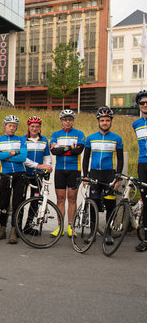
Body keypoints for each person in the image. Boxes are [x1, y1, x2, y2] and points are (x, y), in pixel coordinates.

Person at [83, 107, 123, 245]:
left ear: (111, 122)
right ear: (98, 121)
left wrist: (117, 178)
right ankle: (92, 232)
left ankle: (108, 233)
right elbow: (86, 159)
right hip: (94, 174)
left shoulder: (117, 138)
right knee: (93, 204)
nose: (105, 122)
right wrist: (85, 176)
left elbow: (120, 160)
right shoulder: (90, 138)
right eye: (102, 120)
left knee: (110, 205)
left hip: (109, 176)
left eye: (107, 120)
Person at [0, 115, 27, 244]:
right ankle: (2, 229)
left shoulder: (21, 140)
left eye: (14, 126)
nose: (12, 128)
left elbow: (22, 157)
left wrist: (5, 156)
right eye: (10, 125)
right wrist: (12, 153)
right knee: (4, 203)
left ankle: (14, 230)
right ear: (5, 126)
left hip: (19, 174)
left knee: (18, 203)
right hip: (5, 174)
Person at [50, 109, 85, 238]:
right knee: (60, 198)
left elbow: (78, 151)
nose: (67, 122)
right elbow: (54, 152)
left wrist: (62, 149)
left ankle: (71, 227)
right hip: (60, 170)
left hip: (74, 169)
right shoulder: (55, 134)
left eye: (70, 119)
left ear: (73, 121)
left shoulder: (79, 134)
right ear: (61, 121)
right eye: (65, 119)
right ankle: (60, 227)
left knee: (72, 198)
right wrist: (70, 148)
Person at [132, 90, 147, 251]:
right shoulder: (136, 124)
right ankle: (145, 239)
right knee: (145, 200)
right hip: (143, 163)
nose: (145, 105)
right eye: (142, 103)